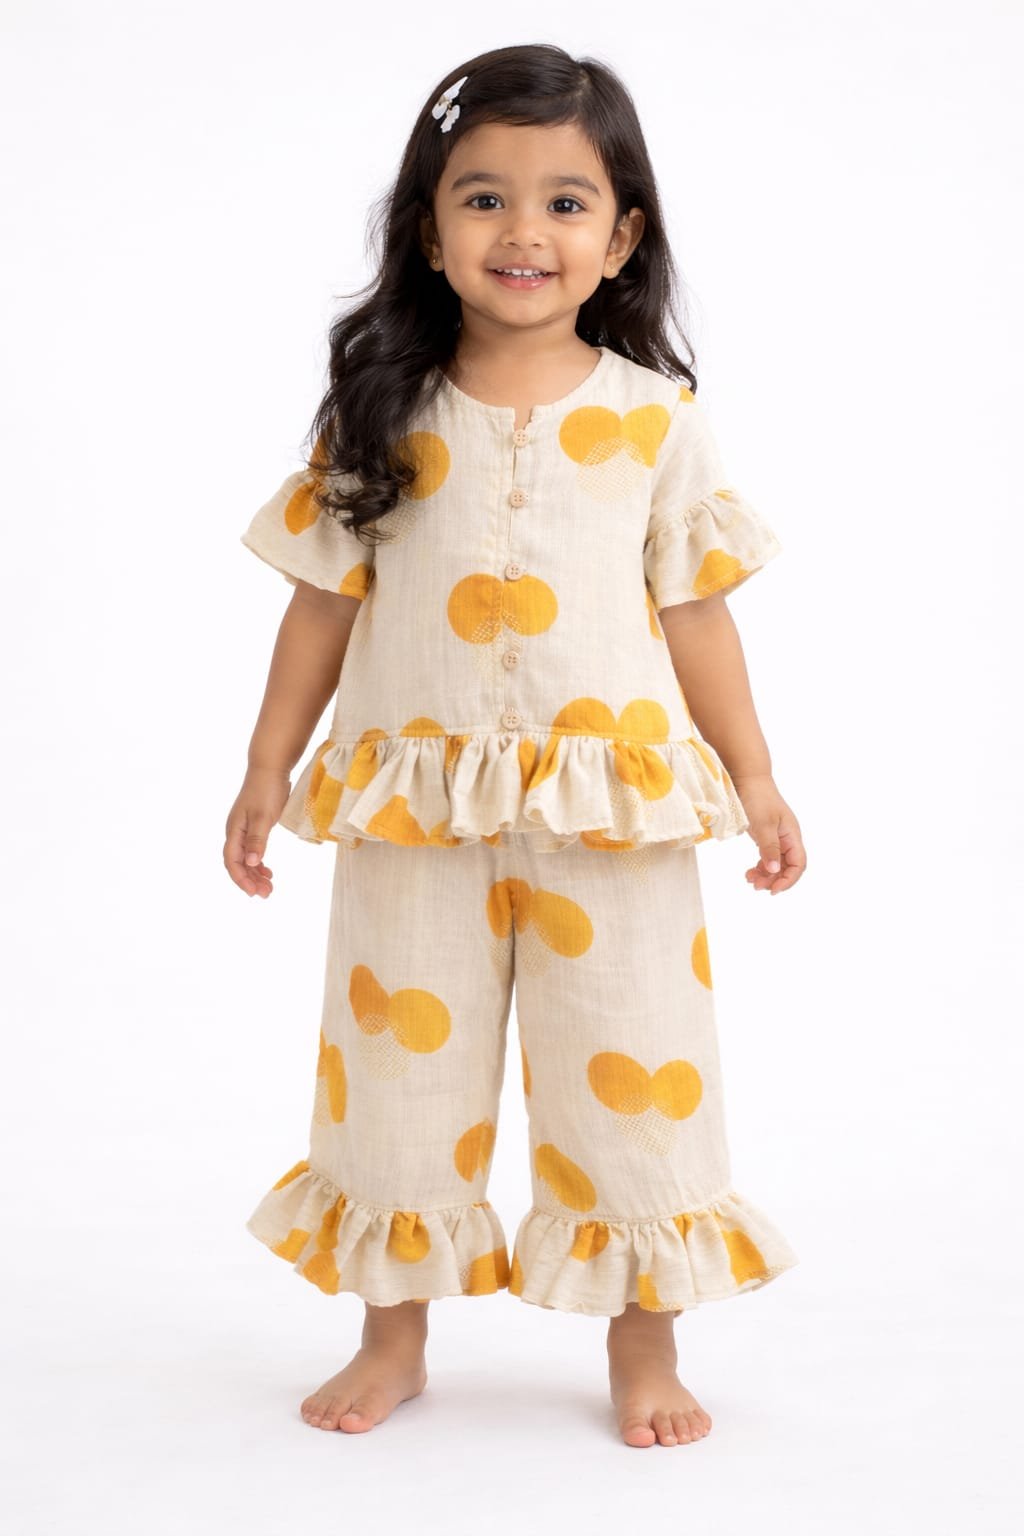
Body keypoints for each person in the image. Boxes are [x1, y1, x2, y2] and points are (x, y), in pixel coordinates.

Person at [224, 42, 807, 1451]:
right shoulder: (381, 413)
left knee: (634, 1057)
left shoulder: (654, 422)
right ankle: (393, 1334)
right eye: (483, 197)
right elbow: (318, 607)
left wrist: (757, 777)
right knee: (393, 1075)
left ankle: (644, 1340)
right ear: (430, 233)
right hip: (409, 808)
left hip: (615, 815)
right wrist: (265, 768)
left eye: (564, 201)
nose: (523, 231)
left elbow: (699, 616)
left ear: (622, 238)